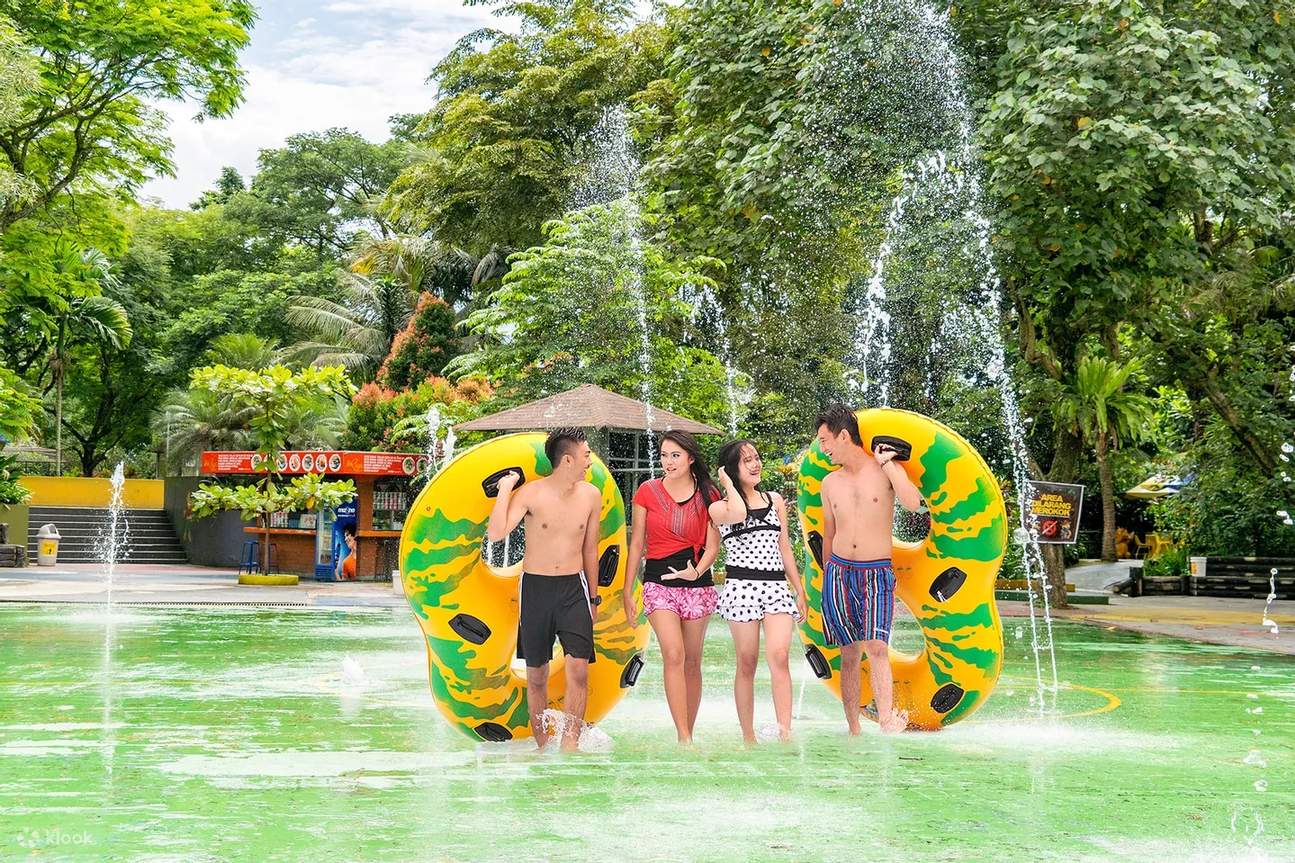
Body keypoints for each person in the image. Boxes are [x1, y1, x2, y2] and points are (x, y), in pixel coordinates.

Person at [488, 427, 602, 752]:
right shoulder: (532, 494)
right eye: (585, 454)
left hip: (574, 588)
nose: (589, 460)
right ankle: (542, 745)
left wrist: (593, 596)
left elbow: (590, 550)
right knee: (537, 674)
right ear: (567, 460)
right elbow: (496, 533)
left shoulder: (591, 495)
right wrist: (506, 489)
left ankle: (570, 744)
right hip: (536, 589)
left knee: (579, 668)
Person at [814, 404, 924, 734]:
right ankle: (853, 728)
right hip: (838, 572)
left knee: (876, 646)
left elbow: (913, 503)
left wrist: (889, 464)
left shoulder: (884, 472)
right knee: (849, 653)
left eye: (824, 440)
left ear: (844, 435)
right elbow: (829, 533)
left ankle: (887, 719)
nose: (823, 448)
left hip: (876, 571)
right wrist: (825, 576)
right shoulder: (830, 482)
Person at [622, 430, 721, 744]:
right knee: (674, 654)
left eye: (675, 455)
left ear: (691, 458)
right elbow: (637, 543)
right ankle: (683, 737)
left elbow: (713, 544)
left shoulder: (709, 493)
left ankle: (689, 731)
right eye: (664, 455)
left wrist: (698, 572)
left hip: (697, 583)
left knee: (692, 661)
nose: (668, 461)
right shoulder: (647, 491)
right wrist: (629, 590)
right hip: (657, 582)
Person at [710, 439, 808, 744]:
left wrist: (799, 589)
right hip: (741, 588)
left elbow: (786, 549)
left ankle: (785, 731)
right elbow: (738, 514)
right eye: (746, 460)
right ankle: (748, 735)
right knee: (747, 661)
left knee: (779, 655)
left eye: (756, 457)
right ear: (730, 470)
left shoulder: (775, 500)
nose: (755, 464)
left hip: (776, 586)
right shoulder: (721, 507)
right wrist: (727, 483)